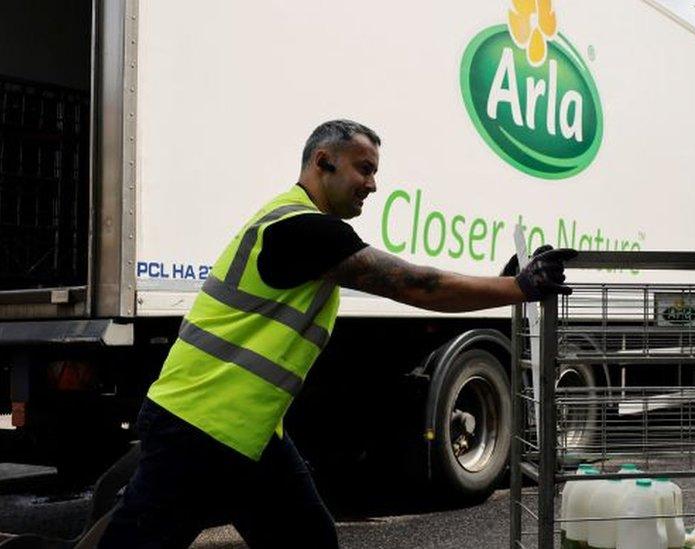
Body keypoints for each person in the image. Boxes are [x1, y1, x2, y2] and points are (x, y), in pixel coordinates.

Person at [99, 119, 575, 548]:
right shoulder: (302, 230)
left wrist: (503, 283)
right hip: (200, 431)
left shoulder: (299, 226)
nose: (372, 184)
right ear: (322, 163)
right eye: (363, 169)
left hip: (249, 435)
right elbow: (417, 284)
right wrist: (519, 288)